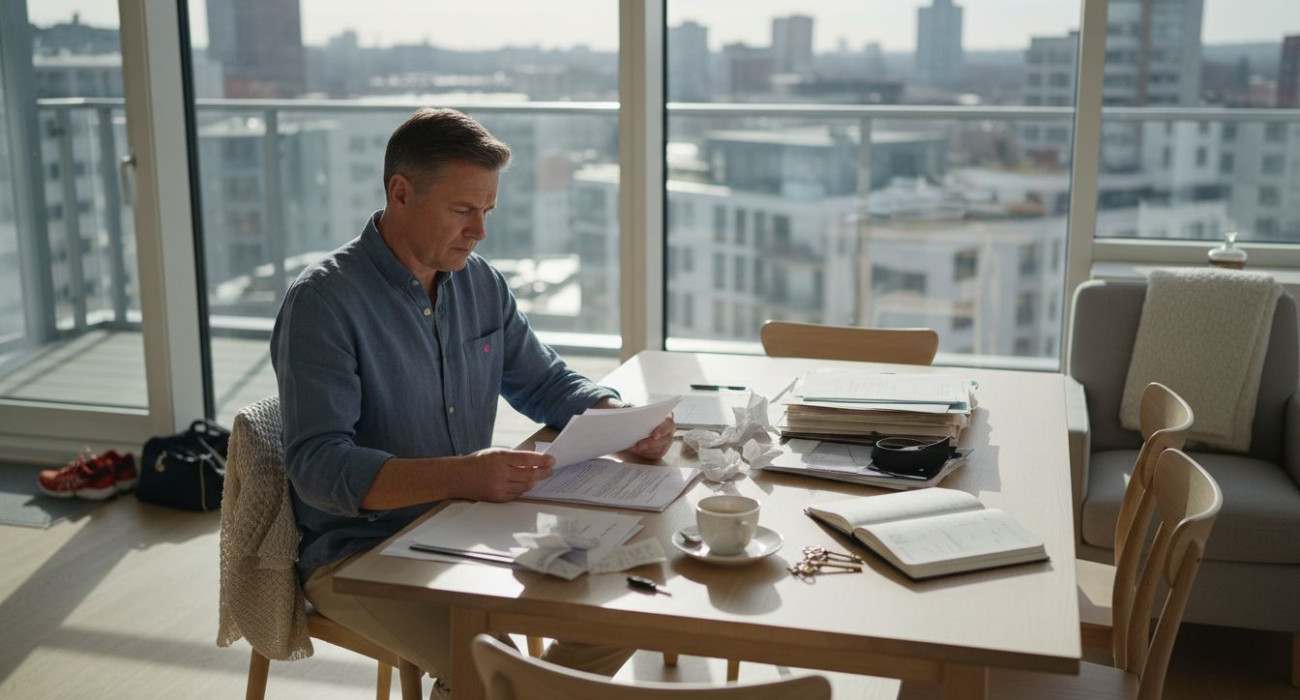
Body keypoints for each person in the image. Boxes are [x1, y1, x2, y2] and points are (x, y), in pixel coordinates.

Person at [271, 107, 674, 693]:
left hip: (471, 524)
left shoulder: (480, 282)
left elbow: (544, 382)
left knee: (634, 590)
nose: (479, 230)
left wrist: (615, 418)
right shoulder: (323, 302)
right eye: (462, 210)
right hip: (359, 554)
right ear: (400, 193)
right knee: (496, 675)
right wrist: (460, 477)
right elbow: (317, 468)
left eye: (487, 210)